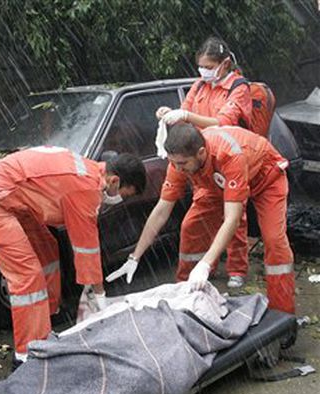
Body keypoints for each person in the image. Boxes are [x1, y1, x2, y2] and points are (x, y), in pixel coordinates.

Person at [0, 146, 146, 367]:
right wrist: (99, 294)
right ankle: (26, 355)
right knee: (28, 277)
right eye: (124, 194)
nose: (120, 200)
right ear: (114, 180)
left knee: (47, 252)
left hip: (12, 195)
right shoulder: (85, 189)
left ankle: (45, 322)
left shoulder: (91, 173)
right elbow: (87, 248)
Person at [106, 123, 294, 315]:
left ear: (201, 153)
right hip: (215, 184)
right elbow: (161, 210)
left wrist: (205, 264)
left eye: (182, 164)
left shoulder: (230, 155)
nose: (178, 169)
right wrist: (135, 256)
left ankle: (282, 312)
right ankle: (185, 297)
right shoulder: (179, 163)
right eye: (173, 163)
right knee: (191, 228)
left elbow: (232, 219)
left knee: (274, 240)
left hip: (265, 180)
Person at [157, 36, 254, 289]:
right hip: (201, 161)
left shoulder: (238, 88)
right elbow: (185, 114)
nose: (204, 71)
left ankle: (236, 269)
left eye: (209, 66)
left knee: (235, 217)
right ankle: (191, 274)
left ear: (225, 63)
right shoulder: (200, 86)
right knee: (193, 223)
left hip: (227, 156)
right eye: (201, 66)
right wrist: (170, 114)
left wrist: (188, 115)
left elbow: (224, 122)